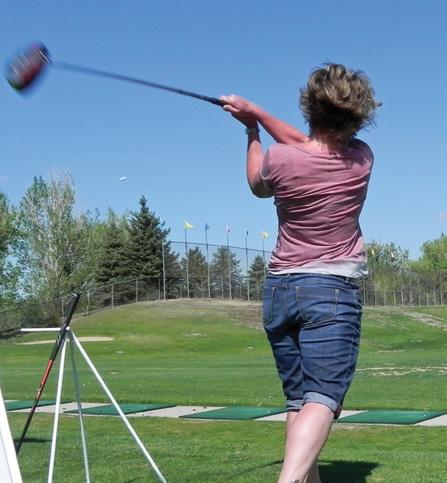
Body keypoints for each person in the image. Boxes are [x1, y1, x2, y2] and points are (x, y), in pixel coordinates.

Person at [221, 63, 380, 483]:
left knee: (299, 400)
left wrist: (252, 128)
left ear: (310, 107)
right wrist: (257, 115)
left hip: (280, 291)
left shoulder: (279, 159)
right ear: (357, 114)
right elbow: (308, 143)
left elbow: (257, 182)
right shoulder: (361, 158)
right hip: (331, 291)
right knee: (323, 397)